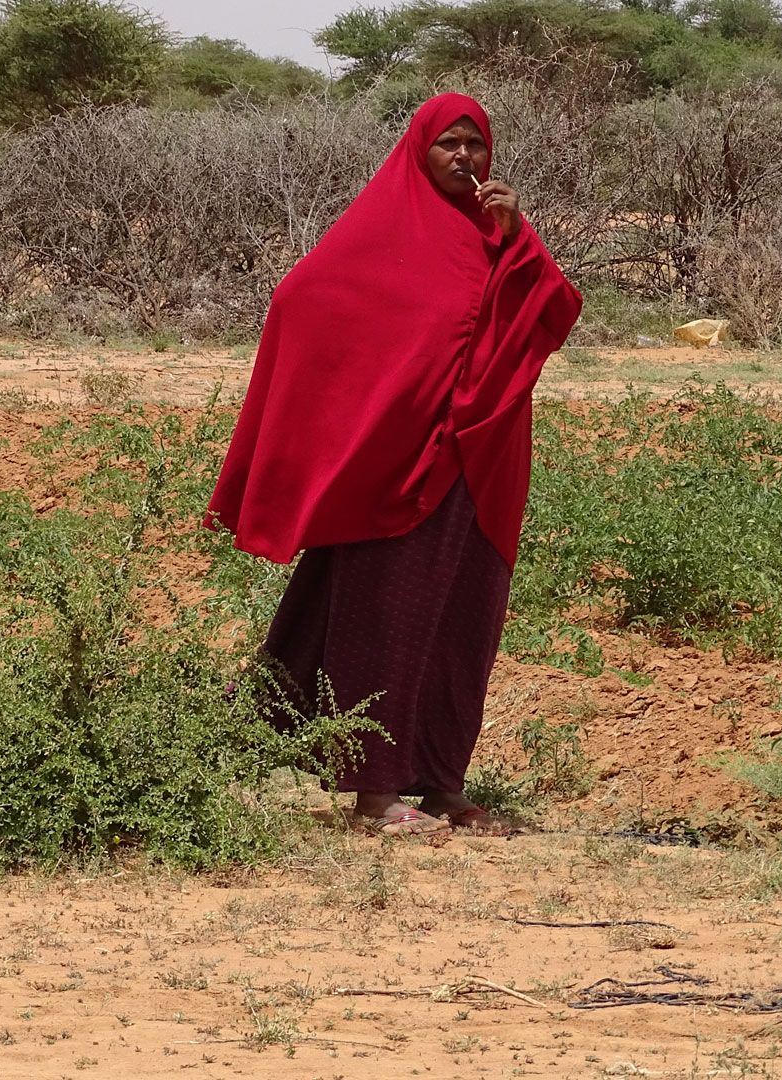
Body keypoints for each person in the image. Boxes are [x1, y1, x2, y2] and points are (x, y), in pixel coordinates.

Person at [206, 93, 582, 840]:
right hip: (397, 468)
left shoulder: (495, 236)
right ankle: (374, 797)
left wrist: (519, 237)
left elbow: (553, 313)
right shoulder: (382, 232)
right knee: (388, 614)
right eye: (450, 143)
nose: (465, 158)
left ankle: (442, 785)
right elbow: (303, 299)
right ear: (420, 150)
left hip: (481, 462)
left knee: (464, 618)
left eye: (477, 144)